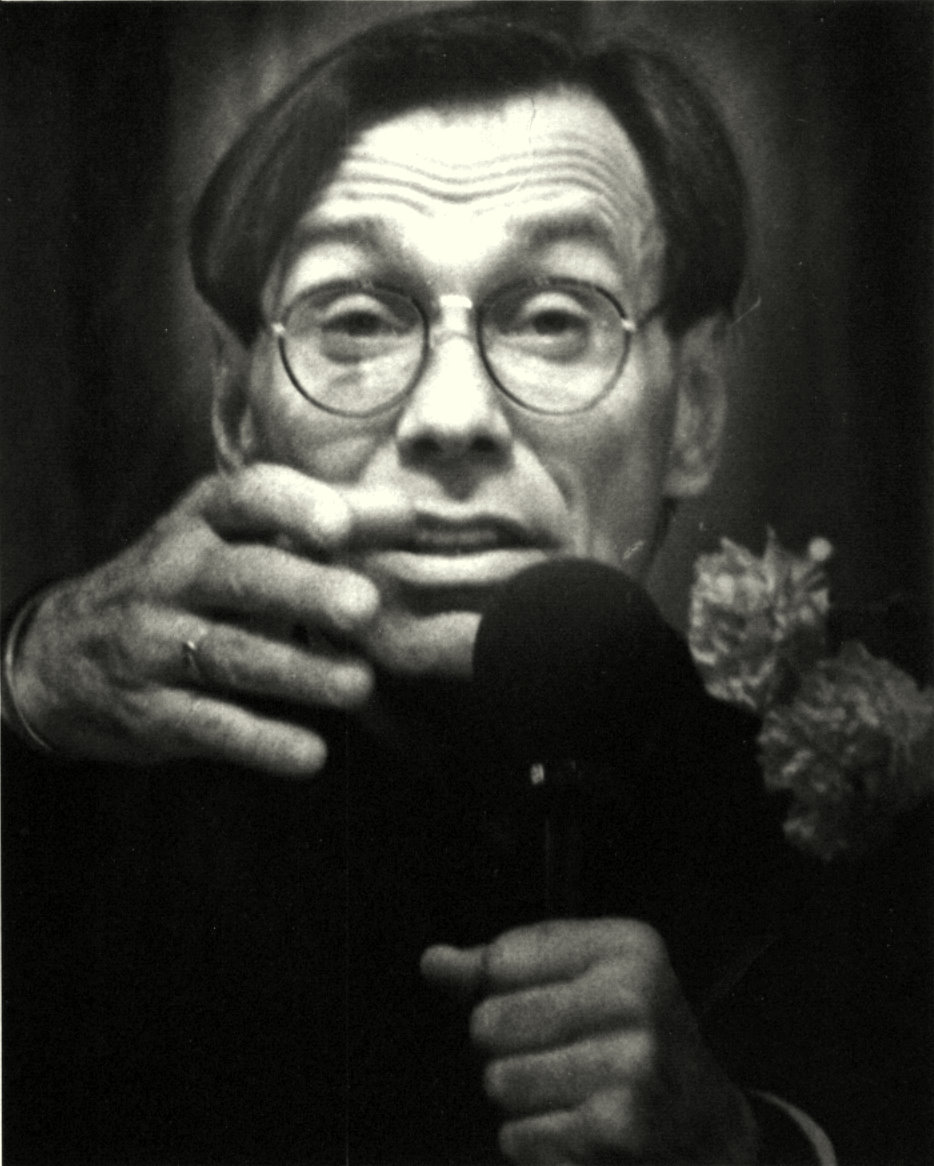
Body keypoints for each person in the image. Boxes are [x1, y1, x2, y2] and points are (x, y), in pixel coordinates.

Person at [1, 9, 926, 1165]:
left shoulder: (869, 825)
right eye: (357, 318)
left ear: (693, 409)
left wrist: (748, 1148)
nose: (451, 418)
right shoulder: (87, 823)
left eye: (551, 317)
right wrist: (24, 675)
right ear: (237, 411)